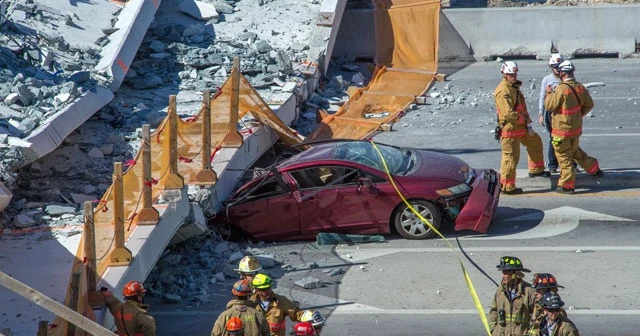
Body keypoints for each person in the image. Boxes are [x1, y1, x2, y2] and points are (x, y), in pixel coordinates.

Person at [544, 60, 604, 194]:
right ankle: (593, 168)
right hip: (575, 130)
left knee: (563, 156)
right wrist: (577, 116)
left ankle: (567, 185)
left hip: (561, 132)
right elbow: (589, 105)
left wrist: (549, 93)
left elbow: (549, 106)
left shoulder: (561, 89)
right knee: (574, 151)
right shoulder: (580, 87)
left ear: (562, 73)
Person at [494, 61, 549, 195]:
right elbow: (508, 113)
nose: (513, 76)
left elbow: (520, 107)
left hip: (521, 127)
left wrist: (527, 120)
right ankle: (507, 187)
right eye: (510, 74)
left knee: (535, 142)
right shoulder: (503, 90)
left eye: (514, 74)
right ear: (504, 74)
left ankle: (536, 170)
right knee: (510, 158)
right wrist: (523, 120)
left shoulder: (513, 87)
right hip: (510, 129)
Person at [489, 256, 537, 335]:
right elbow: (493, 311)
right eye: (502, 272)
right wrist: (493, 329)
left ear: (515, 274)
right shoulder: (500, 290)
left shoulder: (529, 291)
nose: (503, 275)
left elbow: (538, 315)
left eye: (506, 273)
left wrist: (532, 333)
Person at [538, 53, 564, 173]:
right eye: (555, 67)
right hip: (550, 112)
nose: (558, 70)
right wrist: (541, 114)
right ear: (550, 67)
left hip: (564, 112)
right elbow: (542, 97)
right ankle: (553, 164)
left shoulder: (566, 78)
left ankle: (571, 163)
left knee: (568, 138)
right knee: (553, 137)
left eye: (559, 67)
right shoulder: (547, 80)